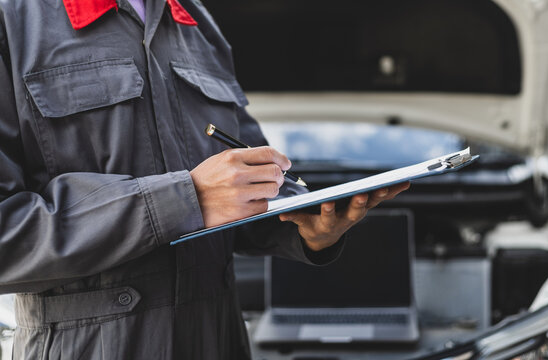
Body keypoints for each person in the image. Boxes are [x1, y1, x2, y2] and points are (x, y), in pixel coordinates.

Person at [0, 0, 409, 359]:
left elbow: (250, 183)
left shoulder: (196, 22)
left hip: (220, 339)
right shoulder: (12, 18)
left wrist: (306, 230)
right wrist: (185, 199)